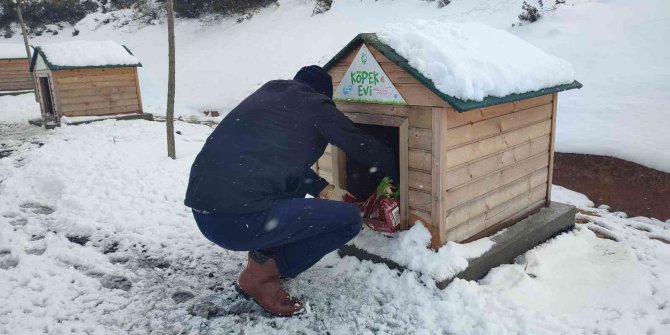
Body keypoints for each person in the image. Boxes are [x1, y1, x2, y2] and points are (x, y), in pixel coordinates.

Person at [184, 65, 399, 317]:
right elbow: (361, 145)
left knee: (281, 187)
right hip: (237, 220)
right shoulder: (316, 105)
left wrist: (323, 188)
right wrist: (397, 173)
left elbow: (275, 161)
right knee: (348, 220)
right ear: (324, 96)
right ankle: (262, 277)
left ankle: (261, 259)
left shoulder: (270, 95)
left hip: (206, 216)